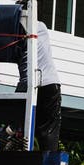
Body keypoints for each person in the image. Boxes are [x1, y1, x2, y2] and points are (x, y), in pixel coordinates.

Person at [16, 20, 61, 151]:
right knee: (48, 131)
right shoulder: (41, 26)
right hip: (49, 83)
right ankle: (46, 164)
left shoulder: (16, 32)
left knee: (21, 126)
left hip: (30, 84)